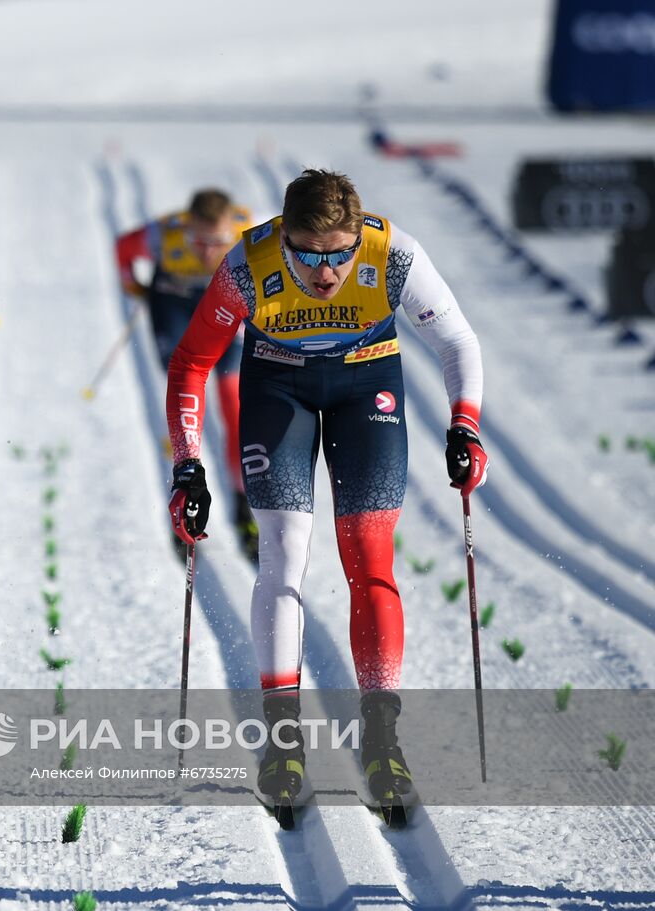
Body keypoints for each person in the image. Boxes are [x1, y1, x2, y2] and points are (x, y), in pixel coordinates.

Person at [163, 170, 487, 817]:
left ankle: (382, 740)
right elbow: (192, 361)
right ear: (283, 237)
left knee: (369, 554)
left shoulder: (391, 254)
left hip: (366, 387)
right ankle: (283, 746)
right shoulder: (248, 264)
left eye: (339, 253)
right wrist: (188, 466)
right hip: (277, 387)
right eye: (308, 254)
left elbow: (456, 338)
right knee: (283, 552)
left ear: (356, 239)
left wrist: (466, 424)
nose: (326, 270)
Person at [116, 188, 256, 558]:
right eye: (199, 240)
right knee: (183, 402)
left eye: (218, 241)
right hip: (175, 305)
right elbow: (123, 250)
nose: (208, 250)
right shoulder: (165, 233)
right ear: (187, 227)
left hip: (221, 303)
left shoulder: (247, 229)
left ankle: (242, 506)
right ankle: (179, 504)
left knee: (235, 407)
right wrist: (135, 287)